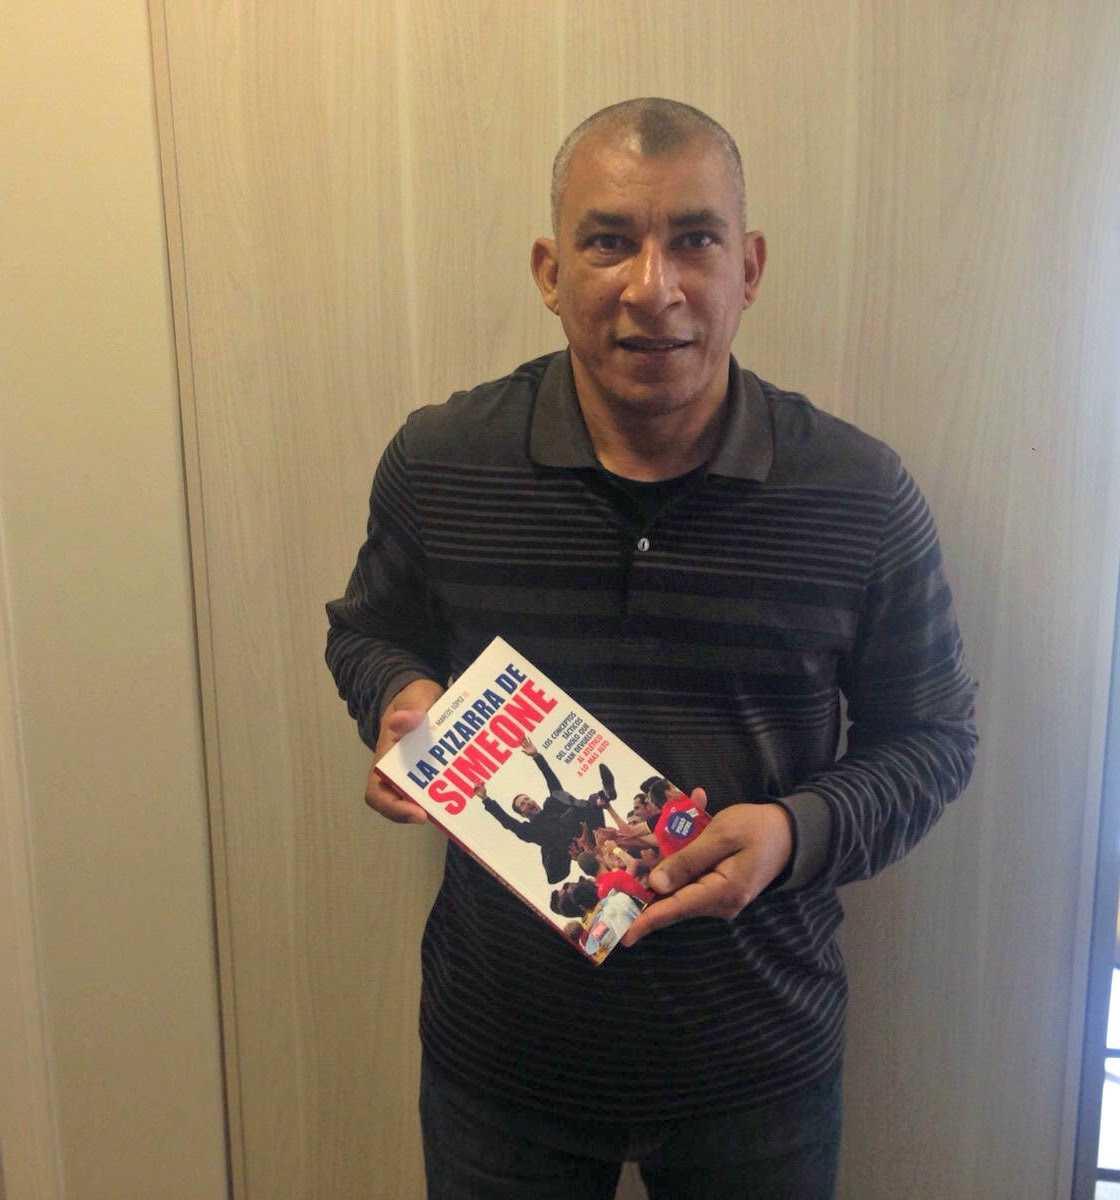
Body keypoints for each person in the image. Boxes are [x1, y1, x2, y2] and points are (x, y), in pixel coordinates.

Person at [325, 97, 977, 1200]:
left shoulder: (859, 494)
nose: (652, 287)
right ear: (549, 270)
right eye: (608, 241)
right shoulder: (440, 462)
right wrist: (402, 697)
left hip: (758, 1065)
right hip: (503, 1060)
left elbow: (935, 737)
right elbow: (368, 628)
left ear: (748, 267)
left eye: (694, 239)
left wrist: (794, 831)